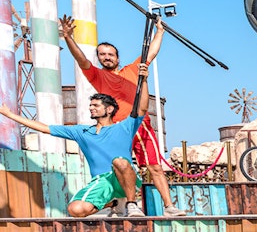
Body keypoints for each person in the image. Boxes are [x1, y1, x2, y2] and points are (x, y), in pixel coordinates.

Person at [57, 15, 186, 217]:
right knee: (113, 169)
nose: (106, 57)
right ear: (99, 58)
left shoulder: (132, 70)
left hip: (139, 125)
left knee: (154, 166)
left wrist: (160, 31)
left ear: (117, 57)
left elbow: (150, 53)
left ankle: (169, 206)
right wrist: (68, 38)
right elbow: (81, 59)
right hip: (116, 130)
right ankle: (115, 204)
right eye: (102, 54)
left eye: (110, 54)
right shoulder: (97, 76)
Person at [0, 66, 151, 218]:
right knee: (75, 210)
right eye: (90, 105)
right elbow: (45, 128)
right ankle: (113, 203)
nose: (91, 108)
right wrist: (10, 115)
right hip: (102, 181)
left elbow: (142, 108)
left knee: (120, 162)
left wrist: (143, 80)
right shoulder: (82, 132)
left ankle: (131, 205)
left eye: (96, 105)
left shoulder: (124, 127)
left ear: (109, 109)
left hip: (126, 178)